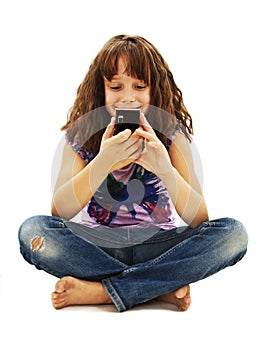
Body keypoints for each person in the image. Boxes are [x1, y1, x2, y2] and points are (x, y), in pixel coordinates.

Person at [18, 34, 248, 312]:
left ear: (155, 91)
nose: (128, 96)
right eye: (116, 86)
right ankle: (156, 287)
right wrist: (103, 162)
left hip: (159, 245)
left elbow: (199, 219)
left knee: (234, 234)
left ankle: (104, 291)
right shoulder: (81, 136)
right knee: (33, 231)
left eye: (140, 86)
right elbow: (59, 212)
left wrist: (164, 168)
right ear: (100, 90)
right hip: (96, 246)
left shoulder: (172, 137)